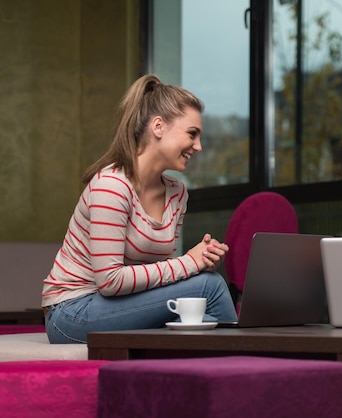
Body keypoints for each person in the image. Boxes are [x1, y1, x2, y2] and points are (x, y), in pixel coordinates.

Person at [42, 74, 238, 343]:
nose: (199, 146)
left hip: (120, 305)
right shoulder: (111, 186)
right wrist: (190, 264)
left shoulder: (177, 193)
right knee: (210, 286)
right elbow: (110, 281)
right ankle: (249, 369)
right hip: (72, 312)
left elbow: (160, 274)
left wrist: (200, 262)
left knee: (199, 315)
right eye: (192, 134)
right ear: (158, 126)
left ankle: (203, 380)